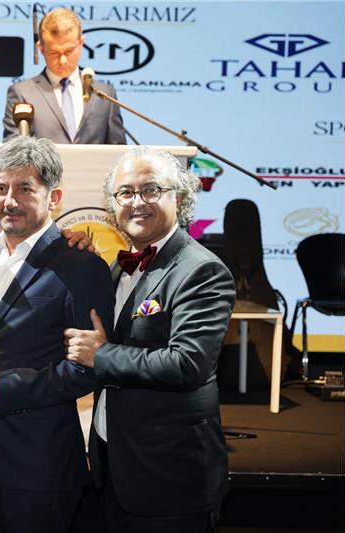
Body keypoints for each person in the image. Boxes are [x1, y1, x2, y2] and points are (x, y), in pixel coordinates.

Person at [0, 135, 115, 533]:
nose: (10, 200)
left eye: (25, 189)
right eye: (2, 188)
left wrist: (6, 390)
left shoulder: (82, 266)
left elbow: (87, 369)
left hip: (37, 465)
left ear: (54, 197)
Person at [63, 146, 236, 533]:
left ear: (180, 197)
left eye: (151, 189)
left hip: (170, 477)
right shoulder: (118, 265)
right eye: (125, 192)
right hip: (115, 465)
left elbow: (188, 364)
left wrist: (102, 355)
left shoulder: (201, 270)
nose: (137, 202)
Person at [3, 7, 126, 145]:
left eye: (69, 51)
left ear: (81, 43)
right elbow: (12, 152)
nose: (63, 60)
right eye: (54, 52)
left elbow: (119, 151)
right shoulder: (22, 93)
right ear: (41, 48)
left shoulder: (104, 95)